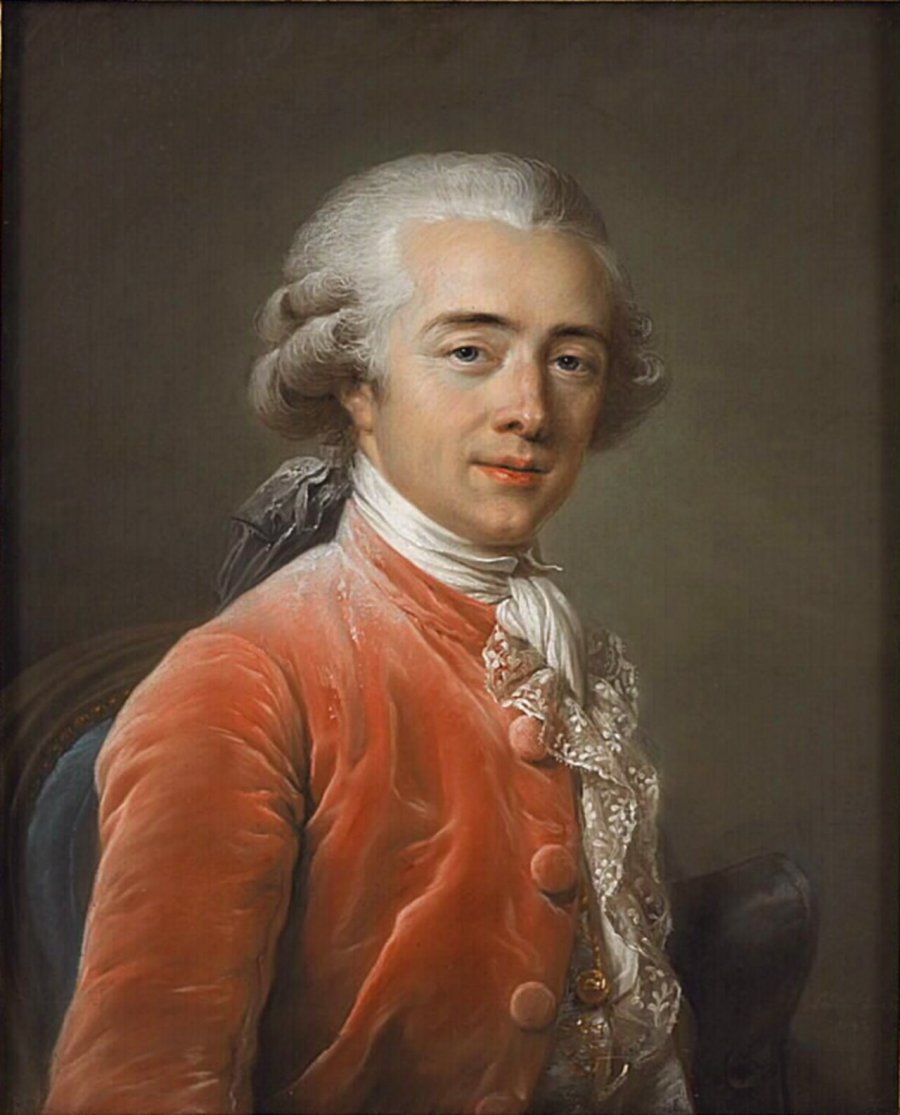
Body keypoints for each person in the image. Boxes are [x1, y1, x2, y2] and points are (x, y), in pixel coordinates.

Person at [43, 153, 693, 1114]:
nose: (529, 410)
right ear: (358, 383)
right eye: (469, 351)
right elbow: (138, 1085)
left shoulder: (568, 651)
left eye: (570, 361)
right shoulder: (246, 677)